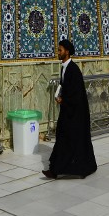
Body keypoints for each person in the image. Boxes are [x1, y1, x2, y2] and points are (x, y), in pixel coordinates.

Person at [43, 39, 97, 179]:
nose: (58, 52)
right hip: (68, 110)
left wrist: (63, 100)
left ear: (67, 51)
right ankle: (55, 169)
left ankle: (80, 168)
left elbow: (77, 94)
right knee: (64, 139)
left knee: (73, 140)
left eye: (60, 50)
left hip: (75, 113)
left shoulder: (74, 70)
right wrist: (60, 95)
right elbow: (65, 87)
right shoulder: (64, 68)